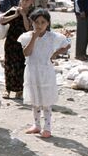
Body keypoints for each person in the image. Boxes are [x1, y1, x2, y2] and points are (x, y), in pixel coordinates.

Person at [19, 8, 71, 139]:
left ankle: (47, 128)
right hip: (32, 71)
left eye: (43, 22)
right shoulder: (27, 36)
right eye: (37, 22)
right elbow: (26, 53)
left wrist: (55, 53)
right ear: (32, 23)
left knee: (46, 101)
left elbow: (67, 44)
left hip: (46, 72)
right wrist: (34, 38)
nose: (39, 25)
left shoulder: (53, 37)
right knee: (35, 99)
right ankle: (36, 125)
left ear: (48, 23)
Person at [0, 0, 34, 99]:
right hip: (11, 42)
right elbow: (2, 20)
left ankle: (20, 90)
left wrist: (24, 15)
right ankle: (7, 89)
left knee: (21, 66)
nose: (24, 2)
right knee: (9, 65)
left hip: (23, 43)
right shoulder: (14, 10)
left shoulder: (33, 13)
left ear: (32, 1)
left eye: (27, 0)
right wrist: (15, 15)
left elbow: (28, 28)